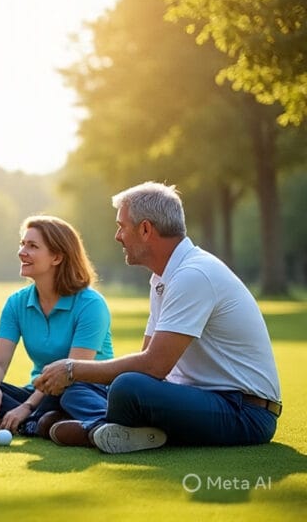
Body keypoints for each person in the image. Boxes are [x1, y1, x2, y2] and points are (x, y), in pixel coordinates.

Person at [35, 182, 282, 453]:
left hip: (244, 412)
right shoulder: (163, 279)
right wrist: (78, 377)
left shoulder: (193, 275)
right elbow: (145, 362)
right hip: (199, 400)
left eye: (122, 226)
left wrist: (72, 368)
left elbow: (153, 366)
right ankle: (111, 429)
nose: (117, 236)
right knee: (87, 388)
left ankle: (93, 428)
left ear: (145, 229)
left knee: (127, 387)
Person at [0, 215, 113, 441]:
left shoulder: (91, 304)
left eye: (32, 246)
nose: (21, 252)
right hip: (39, 393)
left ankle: (14, 421)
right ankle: (39, 423)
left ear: (57, 257)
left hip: (82, 389)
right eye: (22, 244)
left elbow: (70, 373)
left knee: (68, 395)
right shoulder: (17, 302)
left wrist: (25, 407)